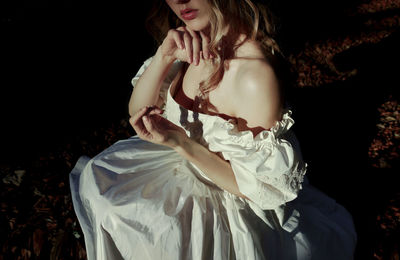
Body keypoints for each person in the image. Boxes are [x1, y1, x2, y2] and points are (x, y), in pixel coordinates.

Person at [70, 0, 357, 259]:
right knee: (109, 196)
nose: (180, 1)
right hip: (173, 165)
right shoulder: (190, 42)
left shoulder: (253, 76)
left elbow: (257, 189)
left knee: (165, 236)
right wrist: (164, 56)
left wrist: (182, 143)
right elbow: (137, 112)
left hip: (228, 198)